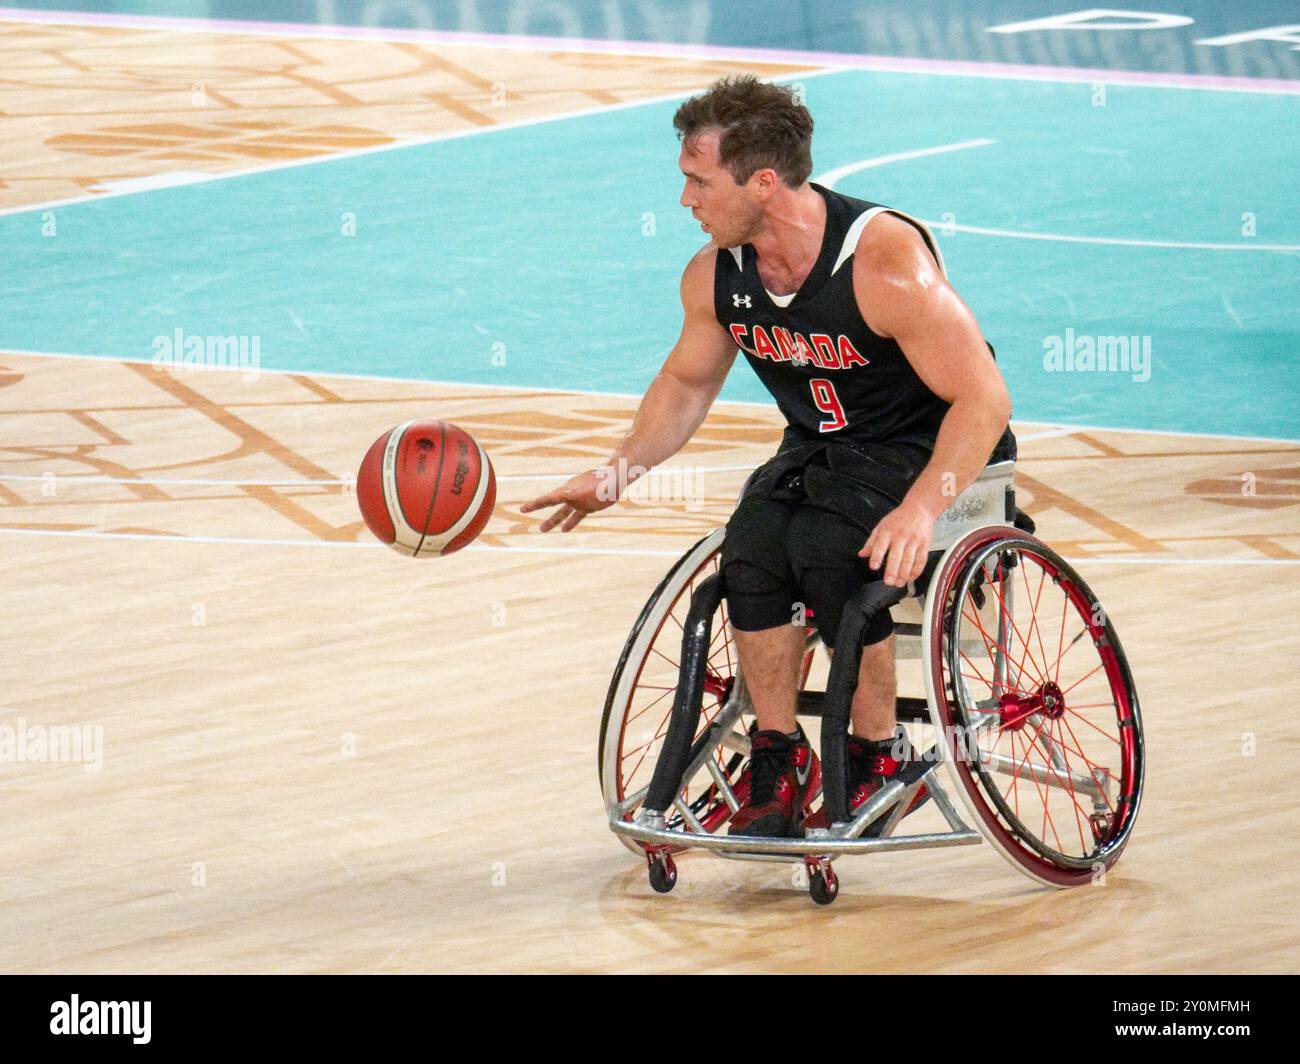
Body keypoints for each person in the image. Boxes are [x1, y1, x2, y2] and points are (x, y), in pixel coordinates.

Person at [521, 75, 1015, 838]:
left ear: (762, 182)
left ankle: (879, 751)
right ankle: (778, 755)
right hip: (825, 450)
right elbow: (686, 384)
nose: (685, 199)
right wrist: (616, 474)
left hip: (932, 446)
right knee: (750, 547)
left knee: (827, 545)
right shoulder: (719, 276)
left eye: (697, 179)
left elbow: (982, 401)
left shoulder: (882, 262)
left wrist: (922, 510)